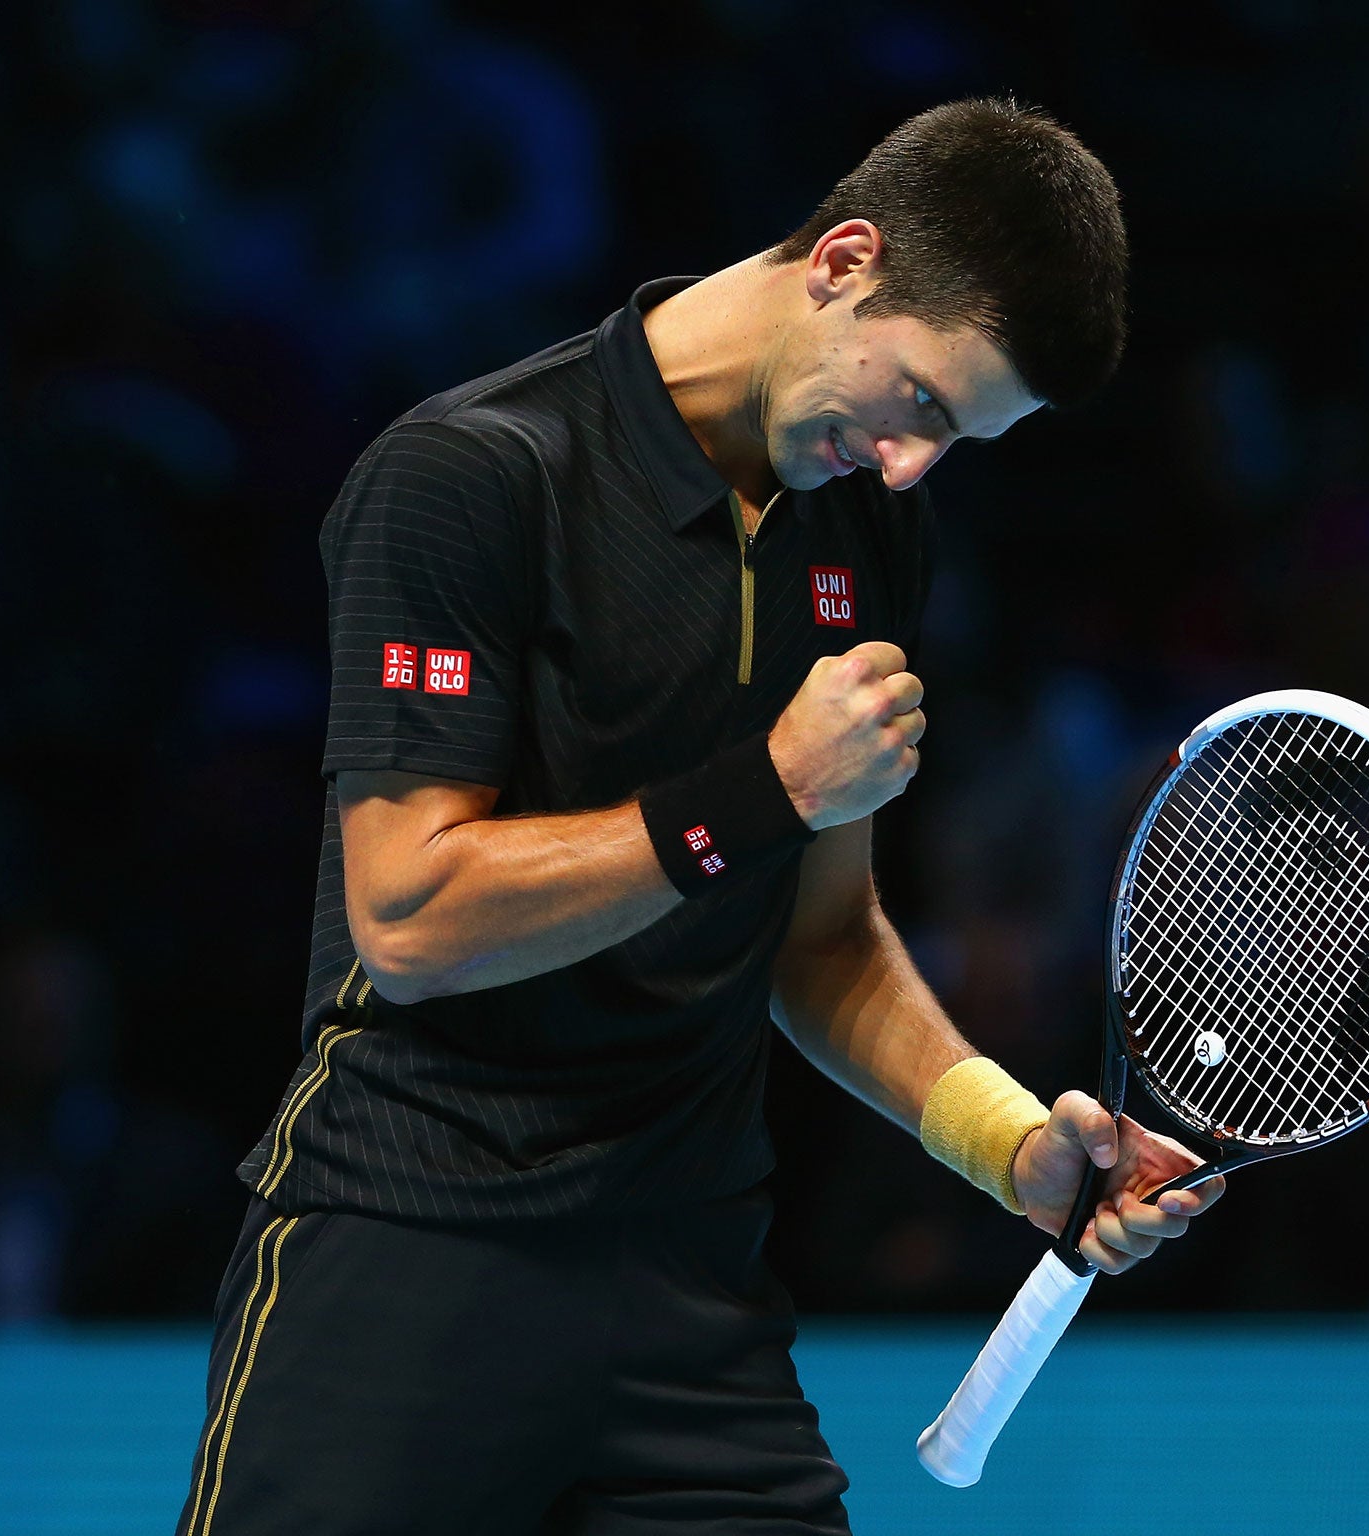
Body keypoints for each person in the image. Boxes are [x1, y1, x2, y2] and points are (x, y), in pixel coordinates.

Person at [178, 98, 1222, 1536]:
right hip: (406, 1254)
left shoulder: (866, 529)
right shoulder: (473, 477)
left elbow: (823, 938)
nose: (918, 466)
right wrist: (765, 792)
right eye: (923, 401)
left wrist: (1010, 1144)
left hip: (692, 1296)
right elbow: (408, 916)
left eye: (962, 440)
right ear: (843, 260)